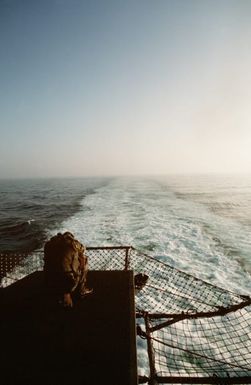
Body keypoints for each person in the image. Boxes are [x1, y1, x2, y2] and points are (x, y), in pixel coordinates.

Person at [44, 231, 93, 307]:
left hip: (49, 278)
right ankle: (81, 290)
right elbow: (83, 249)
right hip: (69, 281)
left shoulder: (49, 244)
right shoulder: (73, 243)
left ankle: (61, 293)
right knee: (84, 259)